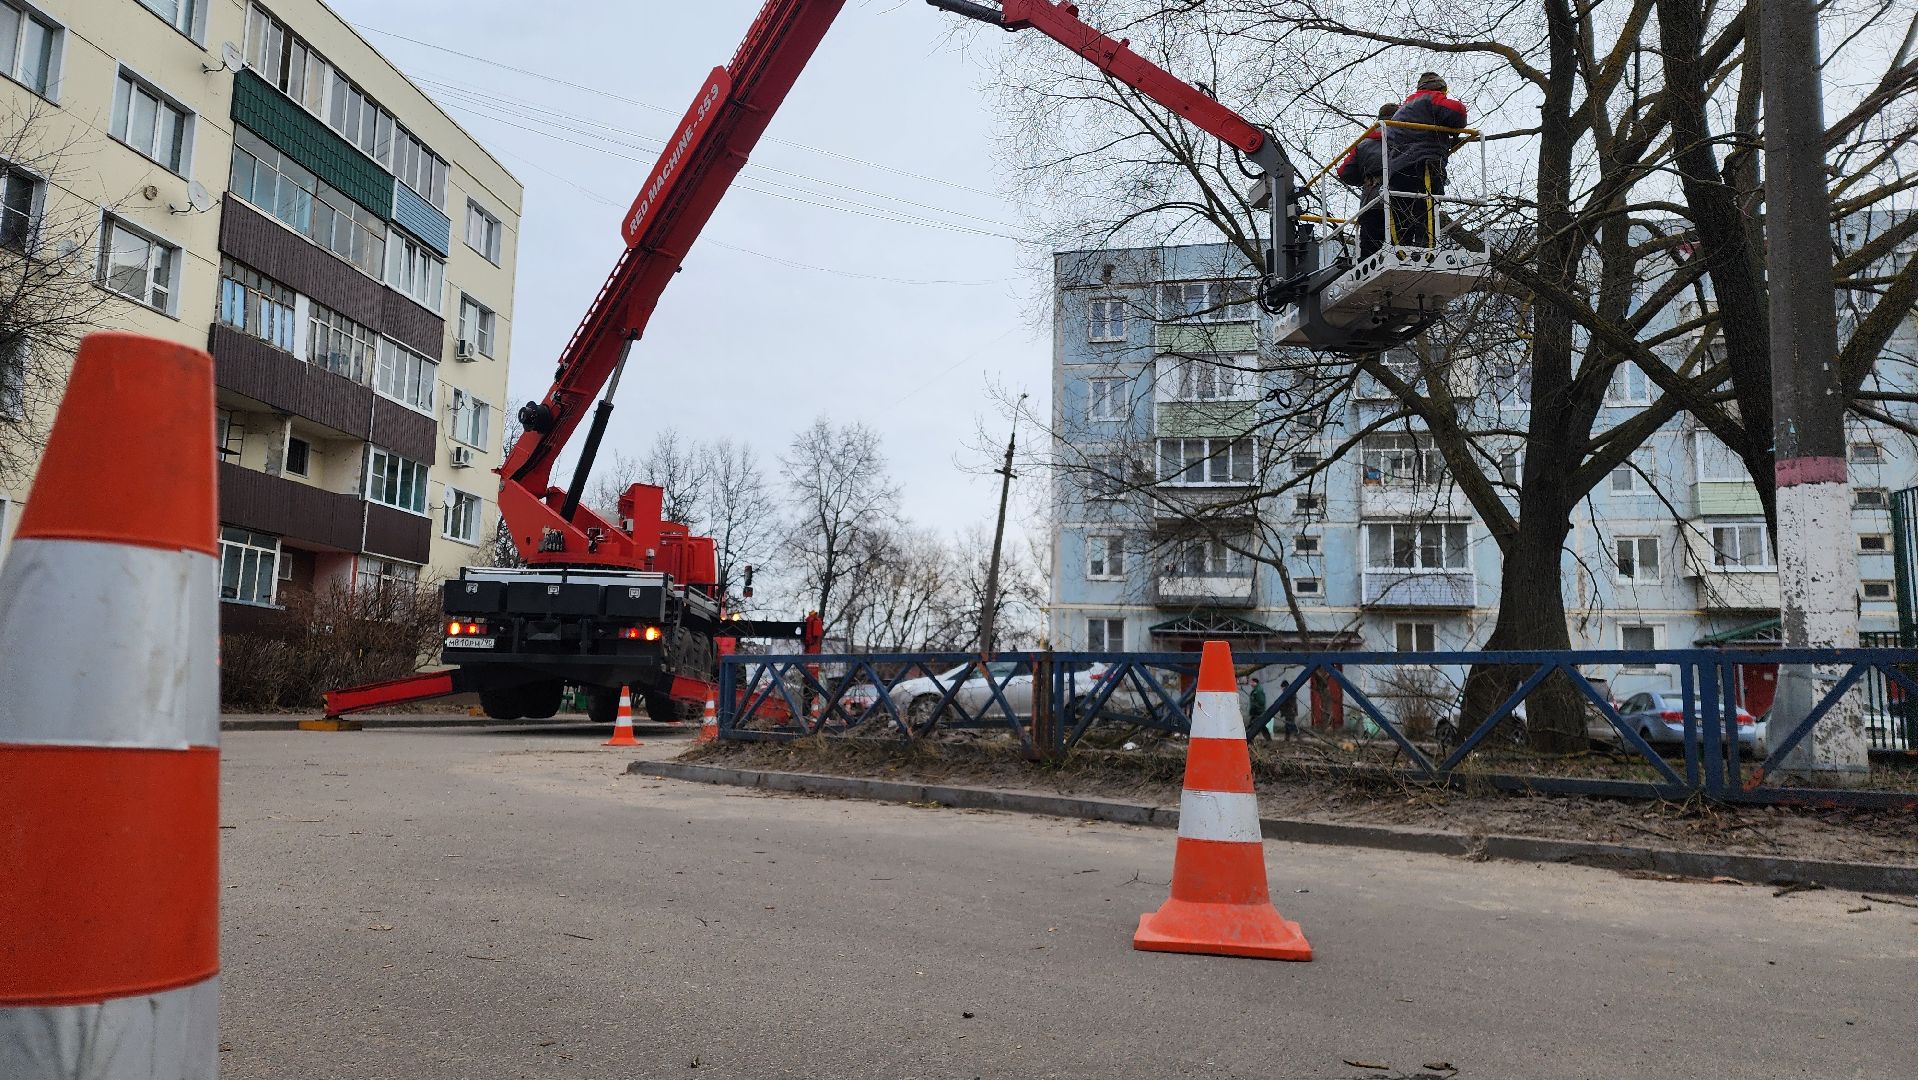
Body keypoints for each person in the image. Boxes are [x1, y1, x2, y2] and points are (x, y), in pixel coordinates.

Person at [1387, 72, 1468, 247]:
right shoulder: (1429, 99)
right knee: (1427, 206)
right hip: (1424, 161)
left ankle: (1401, 250)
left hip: (1397, 168)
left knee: (1403, 211)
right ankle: (1428, 247)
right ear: (1439, 88)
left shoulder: (1400, 112)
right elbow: (1458, 112)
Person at [1335, 103, 1398, 258]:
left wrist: (1365, 178)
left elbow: (1344, 172)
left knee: (1369, 250)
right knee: (1403, 244)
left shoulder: (1364, 143)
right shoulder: (1407, 137)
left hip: (1373, 200)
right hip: (1403, 198)